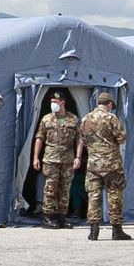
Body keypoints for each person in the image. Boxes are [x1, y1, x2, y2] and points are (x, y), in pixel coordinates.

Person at [77, 92, 131, 241]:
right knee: (114, 195)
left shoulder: (85, 119)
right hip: (111, 164)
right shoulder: (111, 118)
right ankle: (116, 230)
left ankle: (93, 231)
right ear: (110, 104)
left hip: (93, 164)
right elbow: (122, 139)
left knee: (93, 196)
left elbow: (83, 140)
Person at [32, 91, 81, 229]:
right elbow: (39, 138)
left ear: (62, 103)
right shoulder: (46, 119)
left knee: (65, 189)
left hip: (68, 160)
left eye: (55, 102)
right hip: (51, 159)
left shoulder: (73, 119)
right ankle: (47, 217)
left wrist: (78, 157)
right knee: (50, 188)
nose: (53, 104)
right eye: (51, 102)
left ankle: (62, 218)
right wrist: (36, 157)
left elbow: (79, 140)